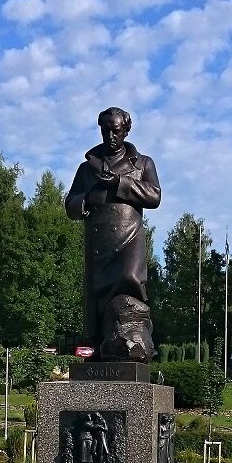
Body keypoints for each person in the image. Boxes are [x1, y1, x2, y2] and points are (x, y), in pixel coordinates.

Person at [65, 107, 161, 362]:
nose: (109, 136)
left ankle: (132, 333)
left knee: (129, 279)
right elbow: (71, 204)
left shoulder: (142, 163)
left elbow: (154, 196)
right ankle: (98, 344)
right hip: (99, 240)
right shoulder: (87, 168)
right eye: (105, 130)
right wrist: (89, 198)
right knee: (97, 292)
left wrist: (120, 183)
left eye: (115, 131)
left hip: (129, 235)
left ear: (125, 130)